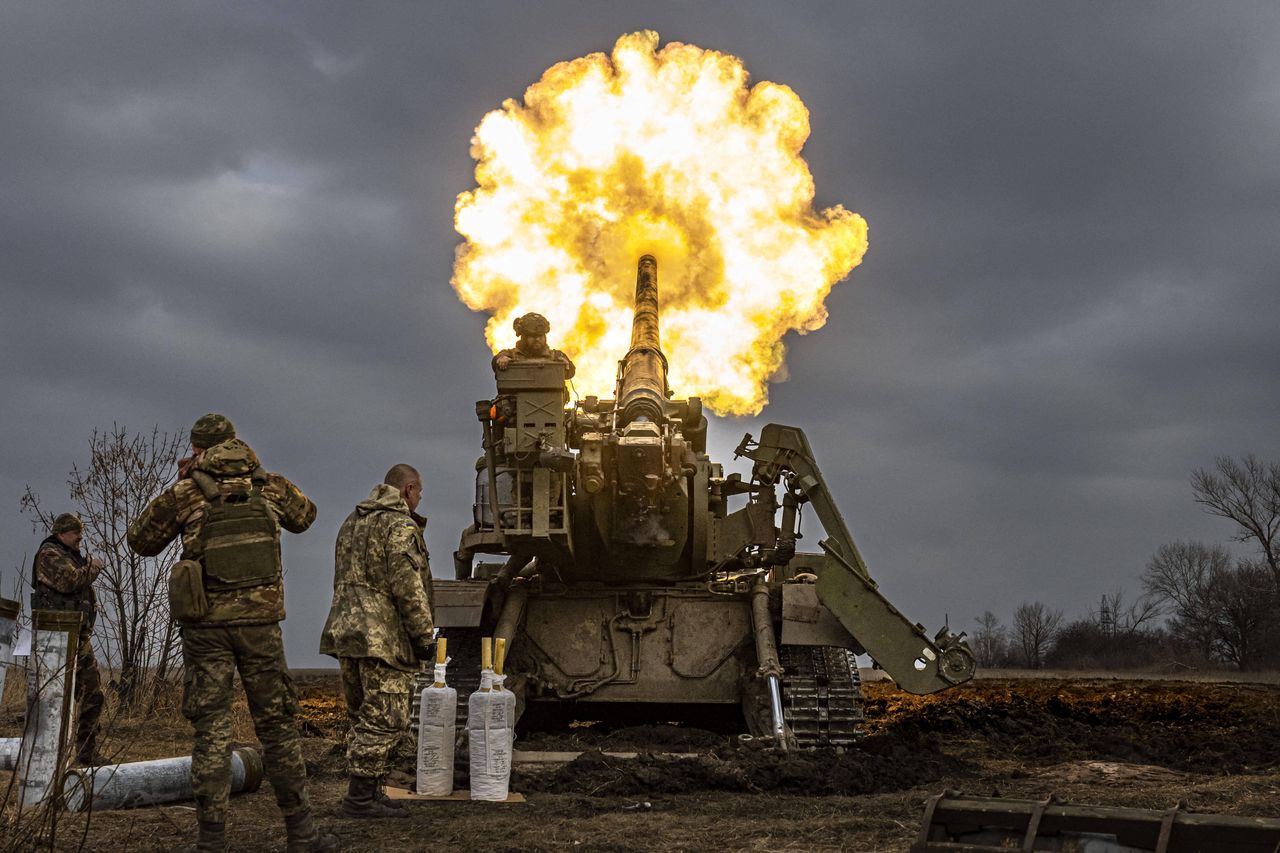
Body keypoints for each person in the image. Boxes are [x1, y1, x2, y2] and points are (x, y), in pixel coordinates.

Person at [128, 414, 337, 853]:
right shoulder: (269, 486)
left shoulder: (187, 492)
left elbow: (140, 540)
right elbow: (307, 516)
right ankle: (302, 833)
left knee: (212, 731)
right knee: (278, 729)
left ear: (199, 449)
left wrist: (185, 481)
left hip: (206, 631)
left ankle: (211, 842)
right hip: (261, 627)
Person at [320, 464, 435, 818]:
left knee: (363, 715)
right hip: (382, 637)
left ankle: (371, 791)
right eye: (418, 494)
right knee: (385, 718)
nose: (418, 501)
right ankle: (359, 800)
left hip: (347, 633)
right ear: (408, 489)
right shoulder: (399, 526)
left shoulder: (351, 523)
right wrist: (422, 635)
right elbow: (408, 587)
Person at [32, 512, 106, 766]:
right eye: (76, 533)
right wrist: (93, 566)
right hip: (55, 639)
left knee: (93, 693)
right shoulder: (49, 555)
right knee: (53, 699)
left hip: (77, 635)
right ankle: (44, 756)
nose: (80, 538)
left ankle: (86, 753)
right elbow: (70, 581)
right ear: (62, 533)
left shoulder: (70, 557)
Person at [492, 312, 576, 377]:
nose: (537, 339)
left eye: (540, 336)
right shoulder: (511, 355)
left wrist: (566, 365)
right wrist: (500, 360)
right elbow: (497, 360)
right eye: (532, 336)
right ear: (524, 337)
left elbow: (571, 372)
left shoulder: (556, 356)